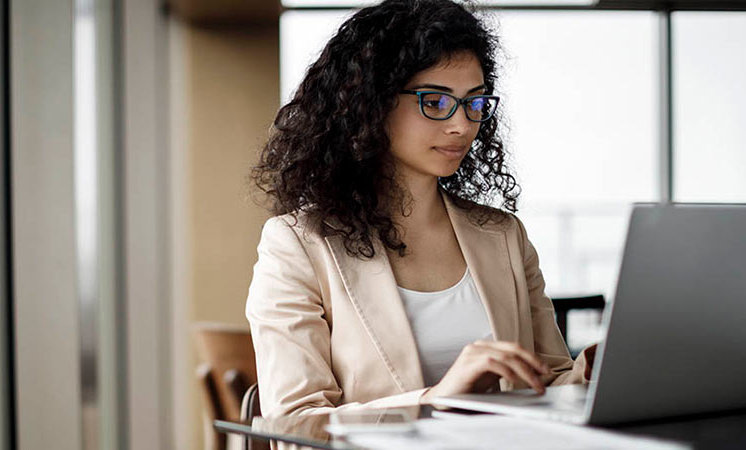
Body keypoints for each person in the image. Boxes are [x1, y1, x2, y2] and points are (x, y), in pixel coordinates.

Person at [246, 0, 594, 418]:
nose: (461, 125)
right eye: (435, 101)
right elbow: (295, 426)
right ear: (370, 105)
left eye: (475, 102)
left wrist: (594, 370)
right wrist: (435, 399)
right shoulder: (298, 245)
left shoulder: (504, 235)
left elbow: (551, 384)